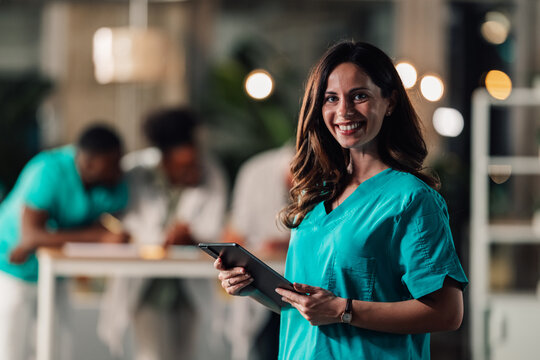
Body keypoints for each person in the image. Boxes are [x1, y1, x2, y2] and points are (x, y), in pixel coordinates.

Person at [214, 41, 468, 359]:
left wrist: (342, 310)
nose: (343, 111)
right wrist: (254, 288)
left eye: (359, 95)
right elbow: (310, 311)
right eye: (331, 99)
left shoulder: (412, 200)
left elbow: (447, 313)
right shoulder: (316, 196)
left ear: (389, 101)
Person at [98, 107, 227, 360]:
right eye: (182, 166)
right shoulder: (135, 173)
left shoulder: (211, 173)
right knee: (152, 354)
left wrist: (192, 238)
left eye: (193, 164)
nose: (191, 172)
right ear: (163, 160)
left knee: (186, 353)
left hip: (189, 287)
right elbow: (126, 224)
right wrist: (161, 238)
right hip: (147, 287)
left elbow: (215, 227)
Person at [0, 124, 129, 360]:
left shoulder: (113, 184)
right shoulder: (48, 170)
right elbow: (30, 236)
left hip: (56, 272)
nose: (118, 172)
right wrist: (96, 236)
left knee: (57, 349)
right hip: (13, 268)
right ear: (88, 163)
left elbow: (121, 233)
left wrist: (42, 240)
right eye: (112, 165)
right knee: (10, 349)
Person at [221, 143, 293, 360]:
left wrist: (286, 243)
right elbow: (236, 230)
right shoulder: (256, 172)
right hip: (264, 280)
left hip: (303, 283)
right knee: (265, 345)